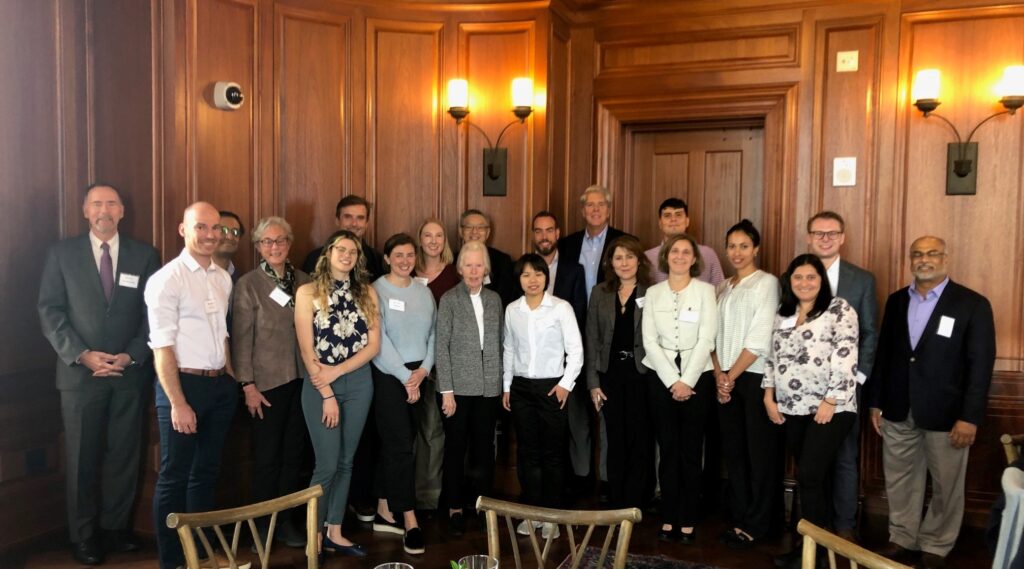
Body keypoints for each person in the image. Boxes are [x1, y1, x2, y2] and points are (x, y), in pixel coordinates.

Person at [38, 183, 159, 566]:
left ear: (122, 210)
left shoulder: (144, 255)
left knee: (124, 455)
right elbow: (50, 311)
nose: (103, 210)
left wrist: (131, 355)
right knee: (81, 459)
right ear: (85, 211)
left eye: (110, 203)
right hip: (79, 377)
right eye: (96, 204)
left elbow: (153, 315)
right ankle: (84, 536)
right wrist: (82, 355)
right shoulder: (61, 254)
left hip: (129, 373)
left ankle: (115, 529)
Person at [866, 236, 995, 569]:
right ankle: (902, 537)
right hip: (897, 408)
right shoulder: (896, 301)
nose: (925, 259)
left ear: (945, 258)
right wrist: (876, 401)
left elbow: (980, 365)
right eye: (917, 254)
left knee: (945, 483)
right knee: (899, 479)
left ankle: (937, 543)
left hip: (948, 415)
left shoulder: (971, 304)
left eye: (932, 253)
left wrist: (970, 417)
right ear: (910, 260)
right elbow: (885, 356)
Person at [145, 202, 237, 569]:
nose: (211, 234)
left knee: (207, 472)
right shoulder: (167, 279)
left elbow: (223, 334)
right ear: (183, 230)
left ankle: (199, 554)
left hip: (219, 386)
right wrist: (178, 403)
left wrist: (230, 376)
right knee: (173, 477)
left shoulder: (223, 276)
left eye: (217, 228)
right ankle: (171, 561)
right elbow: (161, 348)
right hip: (182, 386)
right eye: (201, 227)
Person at [764, 254, 859, 569]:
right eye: (797, 277)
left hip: (831, 408)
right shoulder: (783, 313)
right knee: (810, 479)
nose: (804, 283)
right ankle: (810, 545)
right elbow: (771, 357)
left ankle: (812, 549)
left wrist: (830, 401)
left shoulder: (838, 309)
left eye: (811, 277)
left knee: (810, 475)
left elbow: (846, 355)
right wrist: (768, 396)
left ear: (822, 280)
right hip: (792, 408)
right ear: (789, 282)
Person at [294, 229, 381, 558]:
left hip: (359, 383)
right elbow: (306, 350)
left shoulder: (367, 293)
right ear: (328, 253)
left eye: (353, 251)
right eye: (341, 249)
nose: (347, 255)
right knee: (326, 464)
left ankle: (335, 530)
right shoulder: (307, 292)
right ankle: (313, 533)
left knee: (346, 462)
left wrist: (340, 372)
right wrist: (328, 391)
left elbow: (374, 346)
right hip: (319, 385)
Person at [230, 216, 311, 548]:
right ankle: (264, 525)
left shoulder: (306, 281)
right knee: (266, 458)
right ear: (258, 247)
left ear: (290, 243)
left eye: (280, 241)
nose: (274, 247)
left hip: (304, 381)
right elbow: (240, 340)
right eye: (267, 242)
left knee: (295, 456)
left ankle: (288, 521)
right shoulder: (248, 285)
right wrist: (247, 385)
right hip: (266, 385)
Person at [805, 210, 878, 541]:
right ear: (809, 237)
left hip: (846, 387)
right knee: (810, 457)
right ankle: (812, 525)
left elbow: (870, 333)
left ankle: (844, 526)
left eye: (831, 233)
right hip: (804, 387)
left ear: (842, 237)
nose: (825, 238)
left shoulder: (862, 280)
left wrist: (857, 379)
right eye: (818, 233)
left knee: (846, 456)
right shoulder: (795, 275)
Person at [641, 234, 718, 543]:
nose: (681, 256)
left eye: (687, 252)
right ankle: (668, 515)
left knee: (690, 450)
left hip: (698, 378)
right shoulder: (654, 293)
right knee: (668, 449)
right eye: (675, 251)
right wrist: (673, 380)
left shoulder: (706, 291)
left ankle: (688, 517)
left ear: (695, 259)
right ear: (666, 256)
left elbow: (707, 339)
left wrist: (687, 380)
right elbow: (649, 341)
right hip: (661, 380)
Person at [710, 220, 781, 549]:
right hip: (724, 378)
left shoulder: (767, 283)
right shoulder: (723, 287)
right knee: (734, 453)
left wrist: (731, 376)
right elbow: (710, 336)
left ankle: (759, 523)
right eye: (732, 246)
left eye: (744, 246)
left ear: (756, 249)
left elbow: (759, 337)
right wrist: (718, 375)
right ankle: (740, 517)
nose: (736, 252)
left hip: (752, 379)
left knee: (759, 454)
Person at [503, 254, 584, 539]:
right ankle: (531, 513)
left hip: (553, 387)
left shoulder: (561, 308)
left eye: (538, 274)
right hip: (522, 388)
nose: (533, 280)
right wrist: (506, 386)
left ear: (546, 277)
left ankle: (551, 516)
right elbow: (509, 349)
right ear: (519, 280)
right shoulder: (513, 310)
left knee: (552, 453)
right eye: (526, 275)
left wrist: (565, 384)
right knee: (528, 453)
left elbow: (576, 350)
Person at [369, 233, 434, 555]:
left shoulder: (424, 292)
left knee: (401, 445)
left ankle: (383, 509)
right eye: (399, 255)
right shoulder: (376, 290)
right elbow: (377, 341)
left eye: (410, 255)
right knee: (400, 449)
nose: (405, 260)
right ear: (387, 258)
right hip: (388, 375)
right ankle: (410, 519)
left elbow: (435, 334)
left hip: (420, 376)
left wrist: (422, 372)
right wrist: (406, 377)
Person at [434, 241, 503, 536]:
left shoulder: (494, 299)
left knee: (485, 449)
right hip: (458, 390)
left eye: (479, 265)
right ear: (460, 268)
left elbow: (500, 342)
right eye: (469, 265)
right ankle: (454, 506)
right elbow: (442, 346)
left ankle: (482, 504)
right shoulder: (449, 299)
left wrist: (502, 384)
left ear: (485, 268)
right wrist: (446, 391)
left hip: (489, 388)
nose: (474, 271)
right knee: (455, 448)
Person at [585, 236, 653, 509]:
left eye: (629, 257)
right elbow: (591, 338)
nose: (624, 263)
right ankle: (616, 498)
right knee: (614, 437)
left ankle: (638, 500)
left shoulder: (653, 291)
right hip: (609, 375)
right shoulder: (600, 293)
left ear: (639, 260)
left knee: (641, 437)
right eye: (618, 258)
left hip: (642, 375)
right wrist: (592, 382)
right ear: (610, 263)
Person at [531, 210, 590, 494]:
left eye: (549, 230)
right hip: (534, 366)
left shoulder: (573, 269)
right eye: (538, 231)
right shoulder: (524, 268)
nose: (544, 236)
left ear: (557, 233)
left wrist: (569, 366)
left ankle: (575, 485)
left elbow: (579, 314)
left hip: (568, 362)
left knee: (573, 425)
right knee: (543, 431)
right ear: (534, 235)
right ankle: (546, 487)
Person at [409, 218, 457, 511]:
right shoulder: (407, 271)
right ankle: (408, 495)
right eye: (428, 235)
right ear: (420, 239)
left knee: (433, 431)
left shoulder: (454, 274)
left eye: (439, 235)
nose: (433, 240)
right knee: (411, 433)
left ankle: (428, 497)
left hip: (442, 365)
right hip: (410, 365)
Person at [557, 185, 629, 302]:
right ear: (583, 212)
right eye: (590, 205)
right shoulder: (566, 244)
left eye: (601, 204)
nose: (596, 209)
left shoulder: (624, 241)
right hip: (574, 314)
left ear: (608, 211)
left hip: (610, 313)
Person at [644, 198, 724, 286]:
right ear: (660, 223)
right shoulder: (647, 257)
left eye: (678, 215)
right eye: (667, 215)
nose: (673, 219)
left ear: (687, 221)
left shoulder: (708, 254)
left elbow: (719, 291)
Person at [302, 195, 383, 280]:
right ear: (337, 220)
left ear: (366, 224)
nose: (354, 224)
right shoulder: (315, 258)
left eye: (360, 218)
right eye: (348, 217)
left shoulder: (377, 259)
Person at [458, 209, 516, 306]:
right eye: (469, 227)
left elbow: (506, 298)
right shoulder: (451, 261)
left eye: (480, 227)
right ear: (461, 231)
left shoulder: (503, 261)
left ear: (488, 232)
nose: (474, 232)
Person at [214, 210, 244, 279]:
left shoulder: (240, 280)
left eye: (235, 232)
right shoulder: (194, 275)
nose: (230, 237)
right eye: (223, 230)